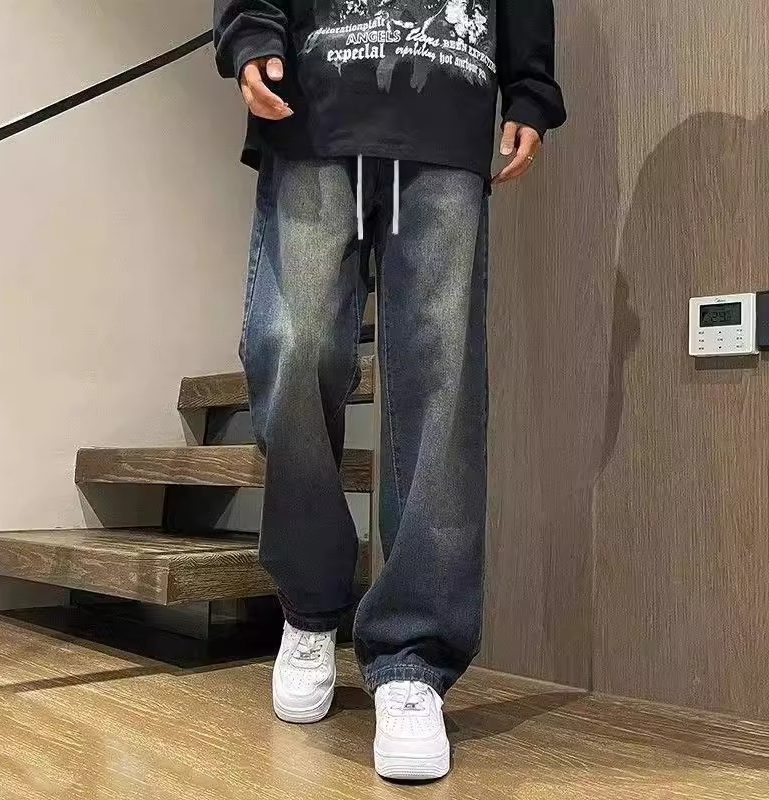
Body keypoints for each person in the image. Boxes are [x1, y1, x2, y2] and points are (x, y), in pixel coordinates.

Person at [213, 0, 565, 780]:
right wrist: (250, 31)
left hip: (447, 101)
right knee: (290, 346)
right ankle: (310, 603)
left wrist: (530, 84)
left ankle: (412, 655)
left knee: (440, 383)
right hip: (313, 102)